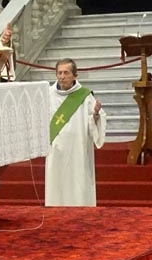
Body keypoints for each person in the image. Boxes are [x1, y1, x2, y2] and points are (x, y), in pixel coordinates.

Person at [45, 58, 106, 206]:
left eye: (66, 73)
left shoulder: (84, 96)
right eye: (59, 73)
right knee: (56, 185)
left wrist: (96, 116)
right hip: (55, 150)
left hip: (78, 150)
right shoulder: (47, 95)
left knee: (78, 184)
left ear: (75, 75)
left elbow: (95, 120)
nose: (62, 76)